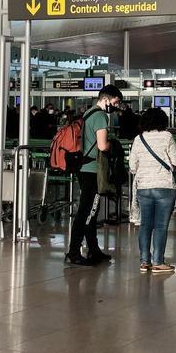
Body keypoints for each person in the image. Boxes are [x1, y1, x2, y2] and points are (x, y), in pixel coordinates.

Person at [65, 84, 123, 266]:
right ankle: (74, 252)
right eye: (116, 102)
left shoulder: (88, 112)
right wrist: (113, 145)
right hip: (92, 170)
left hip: (84, 168)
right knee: (87, 212)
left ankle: (94, 249)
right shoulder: (100, 116)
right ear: (106, 99)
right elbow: (102, 145)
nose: (116, 106)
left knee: (90, 210)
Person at [128, 107, 176, 273]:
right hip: (164, 187)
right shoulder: (167, 136)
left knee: (145, 225)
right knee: (160, 226)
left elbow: (132, 167)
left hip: (144, 187)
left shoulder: (139, 139)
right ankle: (158, 262)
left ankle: (144, 262)